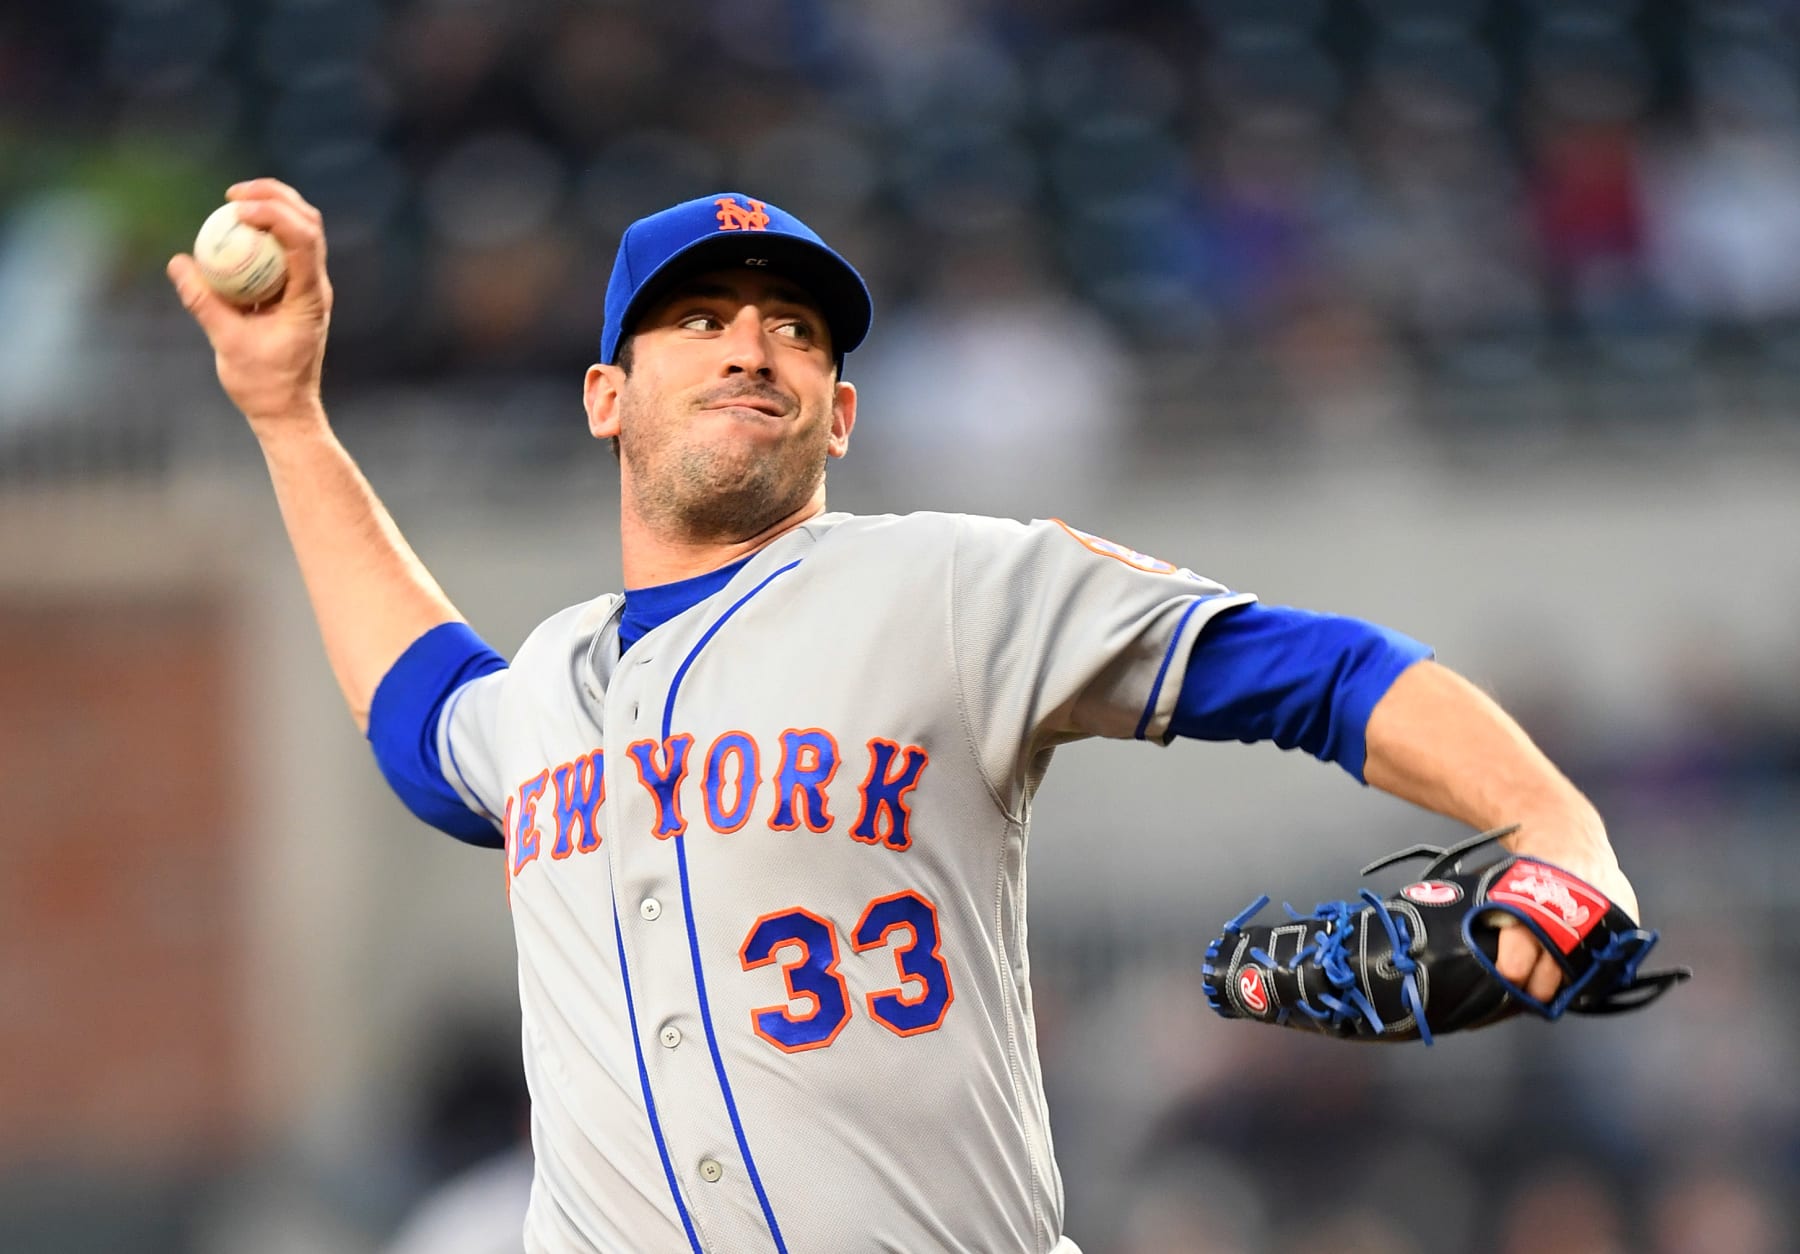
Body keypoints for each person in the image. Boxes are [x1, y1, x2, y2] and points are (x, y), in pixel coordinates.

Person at [168, 181, 1642, 1254]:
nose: (753, 345)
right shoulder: (546, 687)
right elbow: (421, 712)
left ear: (843, 412)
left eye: (796, 331)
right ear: (608, 395)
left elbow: (1311, 667)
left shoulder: (946, 582)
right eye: (702, 317)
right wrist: (287, 413)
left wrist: (1558, 821)